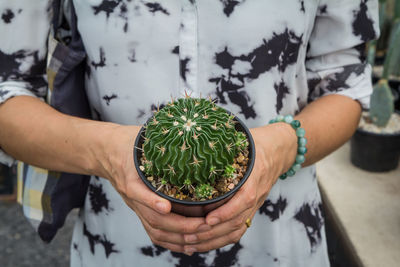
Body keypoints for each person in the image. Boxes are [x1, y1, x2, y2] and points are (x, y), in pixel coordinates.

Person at [0, 0, 378, 266]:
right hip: (120, 237)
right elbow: (9, 91)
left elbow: (345, 83)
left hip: (280, 238)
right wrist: (111, 153)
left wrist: (278, 150)